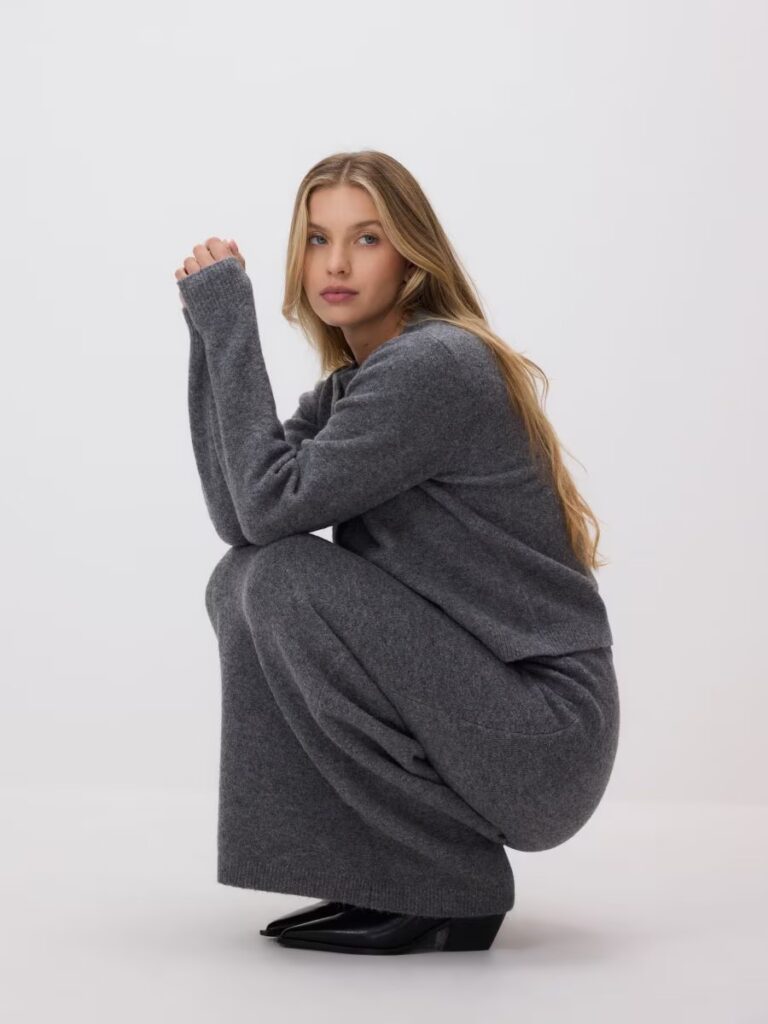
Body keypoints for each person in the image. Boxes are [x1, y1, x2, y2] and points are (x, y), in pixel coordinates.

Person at [173, 149, 620, 956]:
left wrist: (232, 325)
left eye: (367, 238)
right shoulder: (355, 387)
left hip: (542, 731)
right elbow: (243, 515)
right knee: (242, 577)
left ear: (412, 256)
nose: (336, 263)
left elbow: (269, 510)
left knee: (280, 578)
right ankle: (385, 869)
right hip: (485, 708)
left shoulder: (432, 367)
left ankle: (441, 879)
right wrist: (209, 336)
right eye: (318, 239)